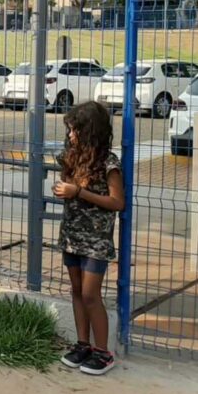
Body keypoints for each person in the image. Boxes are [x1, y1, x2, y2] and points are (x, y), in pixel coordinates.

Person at [53, 101, 124, 376]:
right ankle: (82, 344)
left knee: (90, 294)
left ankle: (103, 351)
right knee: (75, 290)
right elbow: (67, 185)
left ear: (89, 131)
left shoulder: (109, 163)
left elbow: (117, 202)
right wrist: (64, 189)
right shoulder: (71, 156)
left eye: (74, 130)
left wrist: (78, 193)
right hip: (71, 236)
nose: (70, 135)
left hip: (95, 241)